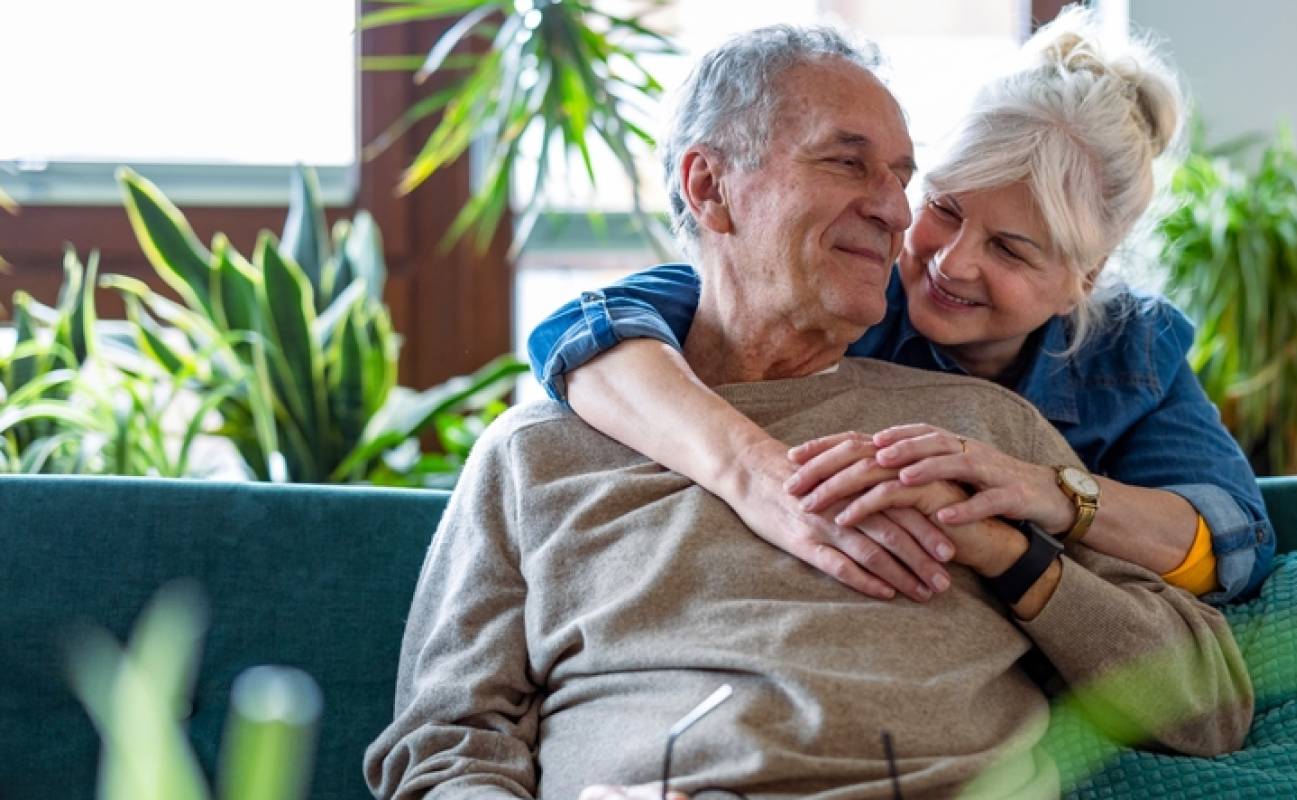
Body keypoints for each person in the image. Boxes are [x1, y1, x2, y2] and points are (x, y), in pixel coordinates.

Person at [367, 23, 1251, 800]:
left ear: (1079, 282)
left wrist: (1015, 549)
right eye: (848, 162)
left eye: (901, 177)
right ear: (709, 188)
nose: (902, 218)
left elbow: (1212, 682)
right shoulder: (545, 448)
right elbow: (443, 742)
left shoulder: (989, 437)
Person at [527, 7, 1276, 611]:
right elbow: (585, 333)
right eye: (944, 210)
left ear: (1085, 276)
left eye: (1011, 250)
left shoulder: (1131, 351)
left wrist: (1047, 490)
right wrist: (755, 474)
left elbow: (1233, 542)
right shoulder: (849, 288)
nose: (952, 262)